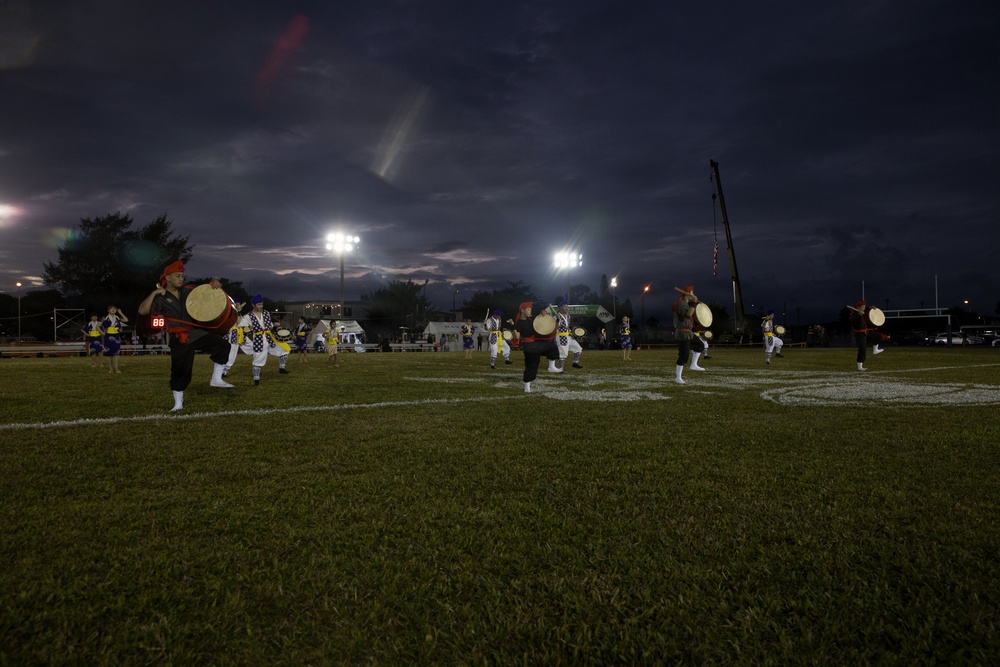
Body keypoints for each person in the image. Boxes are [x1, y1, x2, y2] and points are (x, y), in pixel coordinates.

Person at [138, 260, 234, 411]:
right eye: (177, 276)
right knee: (180, 369)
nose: (181, 279)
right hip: (179, 336)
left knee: (223, 346)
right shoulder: (161, 297)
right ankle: (178, 404)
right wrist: (154, 292)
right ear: (168, 278)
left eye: (182, 276)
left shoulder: (188, 291)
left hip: (196, 332)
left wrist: (215, 284)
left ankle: (216, 379)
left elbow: (206, 291)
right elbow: (143, 311)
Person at [239, 294, 290, 385]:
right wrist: (246, 330)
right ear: (253, 305)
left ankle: (281, 368)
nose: (261, 306)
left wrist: (276, 327)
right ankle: (256, 379)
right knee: (258, 359)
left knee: (284, 349)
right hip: (259, 339)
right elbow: (242, 327)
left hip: (269, 337)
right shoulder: (248, 316)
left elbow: (270, 326)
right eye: (259, 305)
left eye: (262, 304)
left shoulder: (266, 313)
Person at [513, 301, 562, 392]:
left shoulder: (532, 320)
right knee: (532, 365)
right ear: (522, 310)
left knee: (552, 346)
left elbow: (541, 320)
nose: (530, 311)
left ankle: (551, 366)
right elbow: (517, 337)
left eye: (530, 309)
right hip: (529, 346)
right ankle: (527, 385)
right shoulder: (519, 323)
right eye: (528, 309)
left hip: (536, 343)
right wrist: (514, 330)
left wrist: (543, 312)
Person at [672, 285, 705, 384]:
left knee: (700, 345)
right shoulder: (681, 304)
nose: (694, 294)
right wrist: (694, 303)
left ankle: (693, 365)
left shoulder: (686, 303)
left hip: (688, 332)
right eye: (692, 292)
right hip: (683, 333)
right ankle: (678, 377)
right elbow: (688, 314)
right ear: (688, 294)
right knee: (684, 356)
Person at [850, 300, 883, 371]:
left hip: (866, 331)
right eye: (862, 307)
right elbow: (855, 324)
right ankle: (860, 366)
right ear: (858, 307)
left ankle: (875, 350)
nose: (864, 308)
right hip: (859, 334)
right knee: (862, 350)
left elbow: (867, 308)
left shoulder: (862, 311)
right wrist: (859, 315)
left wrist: (871, 308)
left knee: (878, 336)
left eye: (864, 307)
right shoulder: (855, 314)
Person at [555, 300, 584, 369]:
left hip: (568, 335)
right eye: (565, 306)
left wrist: (571, 329)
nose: (566, 308)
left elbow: (567, 325)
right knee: (563, 353)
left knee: (578, 349)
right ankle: (560, 368)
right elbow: (555, 326)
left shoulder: (568, 315)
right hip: (561, 336)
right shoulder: (556, 316)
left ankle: (575, 362)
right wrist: (557, 320)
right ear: (561, 307)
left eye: (567, 306)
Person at [221, 300, 246, 377]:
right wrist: (237, 311)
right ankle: (224, 370)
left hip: (235, 333)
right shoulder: (231, 313)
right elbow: (238, 323)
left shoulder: (235, 313)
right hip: (232, 334)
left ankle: (257, 365)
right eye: (237, 304)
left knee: (231, 351)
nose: (239, 306)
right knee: (231, 351)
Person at [101, 305, 129, 374]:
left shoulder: (117, 317)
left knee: (116, 353)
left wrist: (121, 313)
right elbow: (99, 326)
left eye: (114, 309)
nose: (113, 310)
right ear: (108, 310)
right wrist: (102, 333)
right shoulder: (105, 318)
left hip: (116, 336)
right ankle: (111, 369)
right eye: (111, 309)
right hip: (108, 336)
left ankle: (116, 368)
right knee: (109, 354)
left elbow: (126, 320)